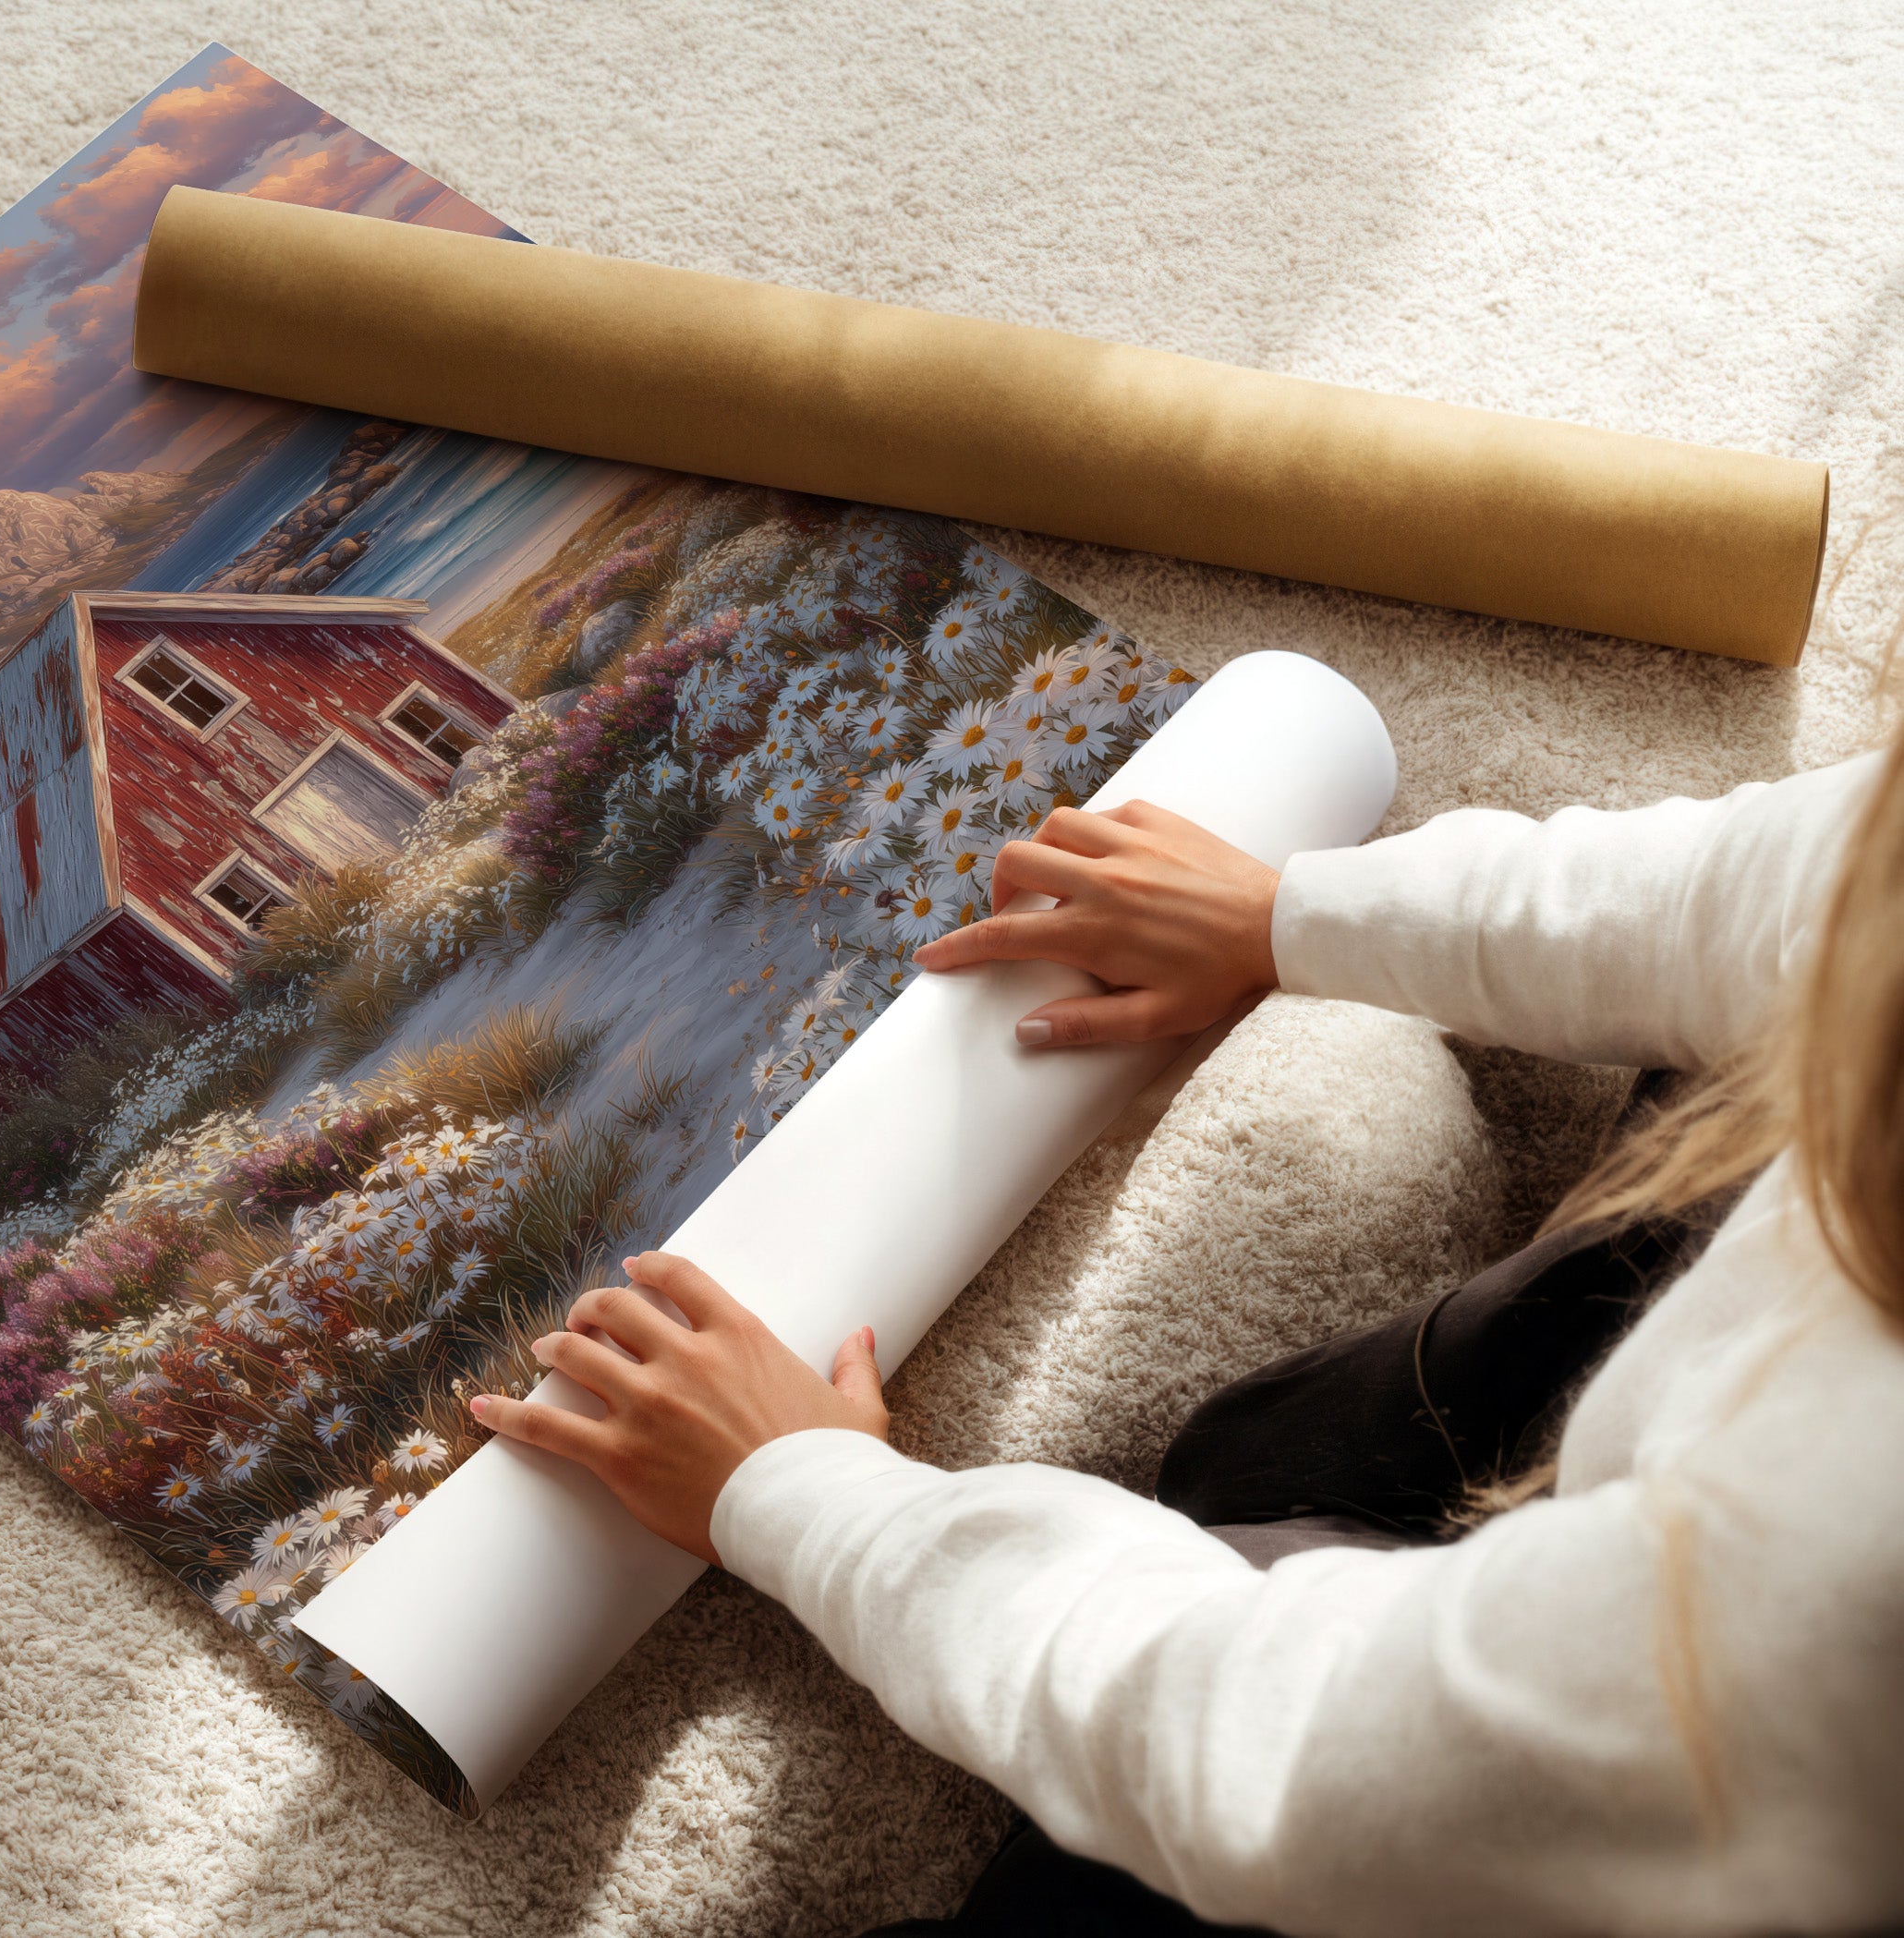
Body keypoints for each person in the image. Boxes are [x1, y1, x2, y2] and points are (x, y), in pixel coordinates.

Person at [470, 743, 1904, 1935]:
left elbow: (1286, 1754)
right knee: (1260, 1457)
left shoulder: (1835, 1583)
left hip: (1702, 1804)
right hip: (1721, 1515)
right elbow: (1791, 883)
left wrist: (807, 1495)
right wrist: (1288, 913)